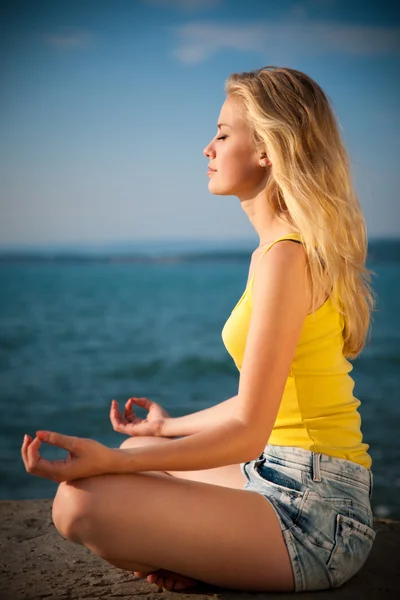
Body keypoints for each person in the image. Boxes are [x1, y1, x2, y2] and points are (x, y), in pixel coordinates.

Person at [21, 66, 376, 593]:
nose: (207, 148)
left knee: (79, 501)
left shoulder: (286, 260)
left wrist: (100, 462)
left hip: (316, 513)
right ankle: (212, 554)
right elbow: (266, 405)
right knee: (133, 456)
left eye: (223, 134)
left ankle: (219, 557)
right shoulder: (281, 253)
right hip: (280, 473)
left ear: (268, 150)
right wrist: (167, 429)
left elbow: (248, 431)